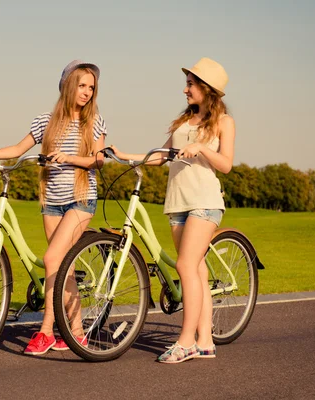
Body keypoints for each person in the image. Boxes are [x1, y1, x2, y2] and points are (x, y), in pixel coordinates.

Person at [0, 60, 107, 355]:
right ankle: (77, 333)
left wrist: (68, 158)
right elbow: (18, 150)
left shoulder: (93, 122)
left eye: (91, 88)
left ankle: (45, 331)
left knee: (51, 258)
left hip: (80, 200)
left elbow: (98, 160)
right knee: (60, 267)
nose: (86, 92)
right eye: (82, 85)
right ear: (67, 85)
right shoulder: (43, 122)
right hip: (52, 203)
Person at [111, 57, 234, 363]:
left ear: (206, 88)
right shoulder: (183, 122)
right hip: (178, 203)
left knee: (184, 266)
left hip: (204, 202)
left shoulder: (224, 122)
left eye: (191, 84)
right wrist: (126, 156)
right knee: (196, 269)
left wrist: (203, 148)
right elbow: (162, 155)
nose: (185, 90)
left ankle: (186, 341)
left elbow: (227, 165)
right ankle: (205, 341)